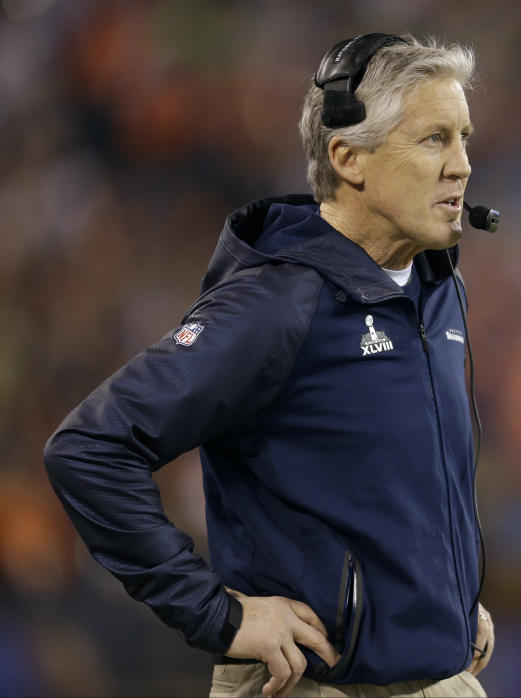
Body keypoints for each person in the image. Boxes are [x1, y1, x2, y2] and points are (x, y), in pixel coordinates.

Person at [44, 33, 494, 698]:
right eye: (435, 140)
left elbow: (389, 484)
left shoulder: (435, 286)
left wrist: (441, 601)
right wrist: (218, 615)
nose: (461, 165)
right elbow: (89, 449)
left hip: (441, 677)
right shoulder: (279, 302)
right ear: (349, 157)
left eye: (464, 138)